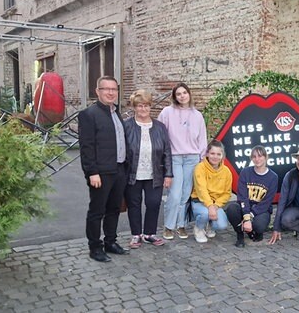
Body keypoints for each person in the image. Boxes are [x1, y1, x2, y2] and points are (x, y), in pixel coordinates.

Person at [78, 76, 129, 262]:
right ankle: (95, 247)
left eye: (114, 89)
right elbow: (87, 147)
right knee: (97, 211)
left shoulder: (116, 113)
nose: (110, 92)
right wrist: (92, 172)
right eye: (106, 89)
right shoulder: (88, 114)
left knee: (114, 209)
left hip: (119, 169)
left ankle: (110, 242)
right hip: (101, 173)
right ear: (97, 91)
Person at [123, 90, 173, 249]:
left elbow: (167, 151)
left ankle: (149, 233)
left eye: (146, 106)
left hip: (155, 173)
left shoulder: (160, 127)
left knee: (153, 203)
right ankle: (136, 234)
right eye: (139, 106)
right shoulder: (127, 126)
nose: (143, 109)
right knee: (134, 204)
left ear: (150, 107)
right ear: (134, 107)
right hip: (132, 173)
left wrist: (169, 174)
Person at [157, 83, 207, 240]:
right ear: (174, 96)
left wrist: (201, 158)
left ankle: (181, 225)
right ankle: (169, 226)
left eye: (184, 92)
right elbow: (159, 133)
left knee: (185, 194)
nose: (182, 96)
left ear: (189, 94)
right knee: (175, 194)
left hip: (192, 158)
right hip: (175, 158)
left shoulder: (197, 115)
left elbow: (202, 138)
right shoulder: (167, 112)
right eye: (178, 94)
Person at [225, 145, 278, 248]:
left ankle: (254, 232)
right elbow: (242, 197)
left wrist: (251, 215)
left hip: (261, 210)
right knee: (232, 209)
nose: (257, 159)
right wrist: (246, 216)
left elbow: (267, 202)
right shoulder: (246, 172)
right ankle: (240, 235)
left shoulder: (273, 177)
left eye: (260, 156)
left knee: (259, 226)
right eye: (254, 157)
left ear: (266, 157)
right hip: (246, 206)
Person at [190, 139, 233, 243]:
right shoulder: (200, 168)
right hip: (200, 201)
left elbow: (227, 193)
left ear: (222, 155)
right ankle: (199, 228)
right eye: (212, 153)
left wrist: (216, 206)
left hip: (215, 204)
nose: (215, 157)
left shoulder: (226, 171)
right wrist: (210, 206)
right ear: (207, 154)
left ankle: (210, 225)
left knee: (222, 225)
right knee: (205, 214)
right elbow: (201, 189)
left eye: (219, 154)